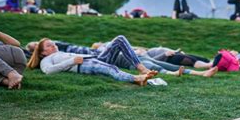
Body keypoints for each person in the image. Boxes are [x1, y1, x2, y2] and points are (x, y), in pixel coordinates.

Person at [27, 36, 156, 86]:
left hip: (94, 58)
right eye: (49, 45)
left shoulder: (59, 53)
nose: (54, 45)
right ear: (42, 52)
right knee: (110, 69)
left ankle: (141, 68)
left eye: (53, 43)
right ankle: (136, 78)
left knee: (120, 40)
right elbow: (48, 71)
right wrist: (71, 61)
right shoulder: (46, 60)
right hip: (82, 65)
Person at [0, 25, 25, 89]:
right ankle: (6, 81)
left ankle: (11, 73)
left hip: (13, 56)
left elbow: (16, 45)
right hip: (9, 71)